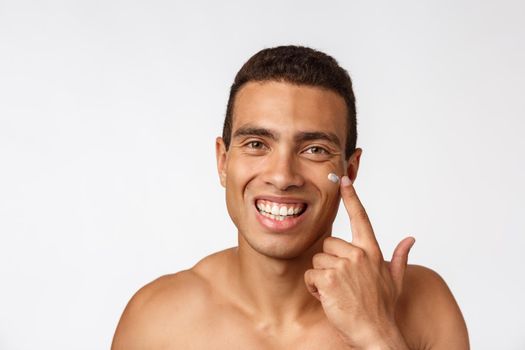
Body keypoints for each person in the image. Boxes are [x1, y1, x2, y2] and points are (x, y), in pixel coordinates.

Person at [111, 45, 469, 349]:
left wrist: (377, 334)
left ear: (351, 169)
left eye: (314, 149)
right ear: (223, 161)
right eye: (256, 144)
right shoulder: (158, 321)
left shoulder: (422, 303)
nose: (282, 176)